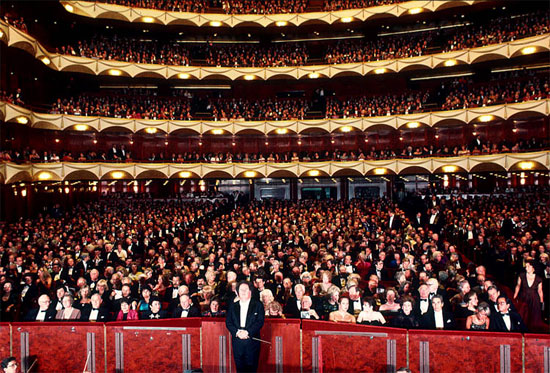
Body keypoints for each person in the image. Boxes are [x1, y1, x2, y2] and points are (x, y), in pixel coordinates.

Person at [225, 281, 265, 373]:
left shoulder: (257, 305)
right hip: (237, 340)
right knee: (239, 368)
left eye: (245, 289)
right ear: (237, 292)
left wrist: (248, 332)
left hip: (251, 340)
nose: (243, 292)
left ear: (250, 291)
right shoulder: (233, 306)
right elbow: (228, 322)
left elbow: (259, 321)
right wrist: (237, 332)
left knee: (252, 368)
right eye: (241, 290)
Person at [513, 260, 544, 332]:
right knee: (523, 316)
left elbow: (540, 291)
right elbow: (518, 286)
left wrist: (541, 302)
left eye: (528, 266)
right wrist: (514, 297)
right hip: (524, 298)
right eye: (526, 266)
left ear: (533, 267)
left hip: (534, 300)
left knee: (534, 318)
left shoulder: (539, 279)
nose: (526, 268)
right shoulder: (521, 275)